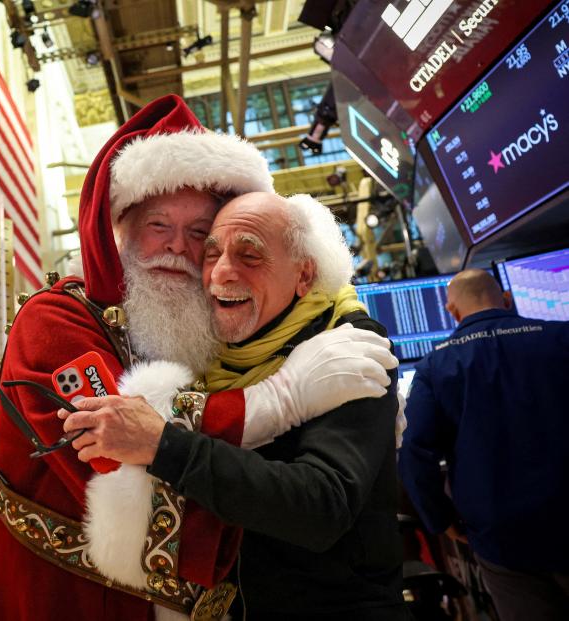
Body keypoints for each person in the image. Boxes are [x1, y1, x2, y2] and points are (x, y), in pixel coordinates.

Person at [0, 95, 399, 621]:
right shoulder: (57, 319)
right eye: (158, 226)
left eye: (199, 236)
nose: (179, 250)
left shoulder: (259, 336)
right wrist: (283, 397)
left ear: (301, 271)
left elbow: (318, 500)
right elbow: (117, 450)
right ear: (119, 229)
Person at [63, 191, 409, 620]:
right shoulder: (210, 355)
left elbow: (323, 505)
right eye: (211, 253)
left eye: (250, 255)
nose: (221, 272)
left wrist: (164, 446)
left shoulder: (348, 346)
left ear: (304, 275)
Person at [398, 269, 569, 621]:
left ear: (452, 311)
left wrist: (441, 520)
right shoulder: (560, 337)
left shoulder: (435, 366)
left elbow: (414, 454)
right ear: (506, 298)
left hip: (502, 539)